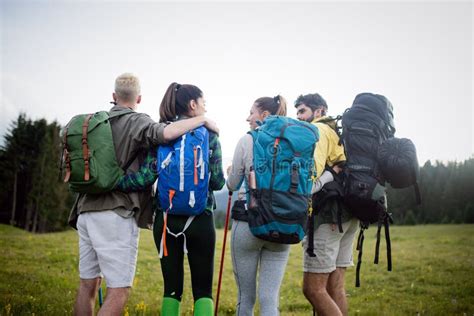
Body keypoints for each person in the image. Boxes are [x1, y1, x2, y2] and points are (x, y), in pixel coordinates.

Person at [70, 74, 219, 316]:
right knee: (120, 290)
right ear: (138, 98)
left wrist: (107, 182)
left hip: (89, 210)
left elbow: (148, 174)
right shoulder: (147, 124)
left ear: (113, 96)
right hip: (130, 212)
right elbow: (215, 178)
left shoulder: (96, 123)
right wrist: (205, 121)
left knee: (88, 284)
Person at [116, 82, 225, 316]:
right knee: (203, 290)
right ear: (193, 104)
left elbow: (145, 177)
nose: (205, 107)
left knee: (172, 289)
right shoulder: (209, 135)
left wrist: (114, 183)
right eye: (204, 102)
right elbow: (217, 182)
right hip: (201, 218)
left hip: (166, 220)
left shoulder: (161, 133)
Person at [295, 93, 358, 316]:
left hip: (328, 217)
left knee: (313, 289)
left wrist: (323, 177)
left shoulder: (319, 131)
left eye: (302, 111)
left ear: (319, 111)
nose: (299, 117)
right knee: (335, 287)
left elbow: (309, 183)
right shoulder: (337, 132)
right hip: (349, 215)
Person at [226, 95, 290, 316]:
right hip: (283, 223)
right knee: (270, 300)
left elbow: (233, 184)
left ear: (264, 116)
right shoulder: (293, 143)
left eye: (251, 112)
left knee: (246, 298)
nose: (248, 118)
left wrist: (231, 172)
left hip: (248, 222)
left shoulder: (248, 140)